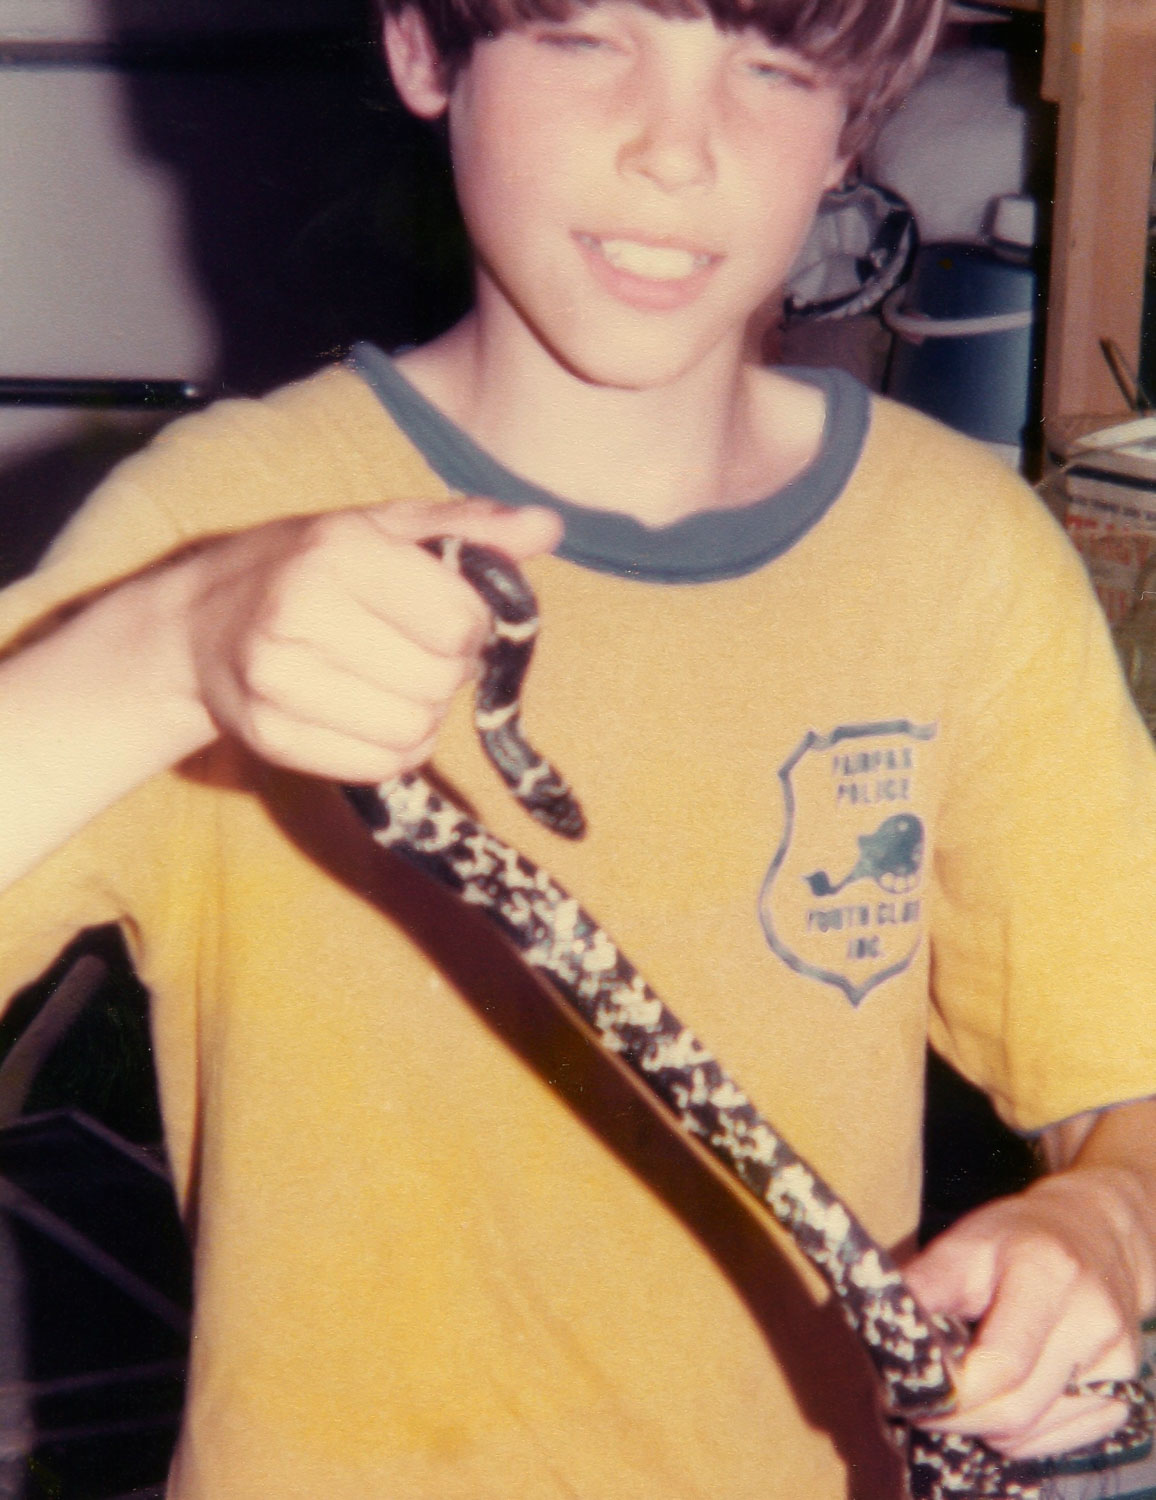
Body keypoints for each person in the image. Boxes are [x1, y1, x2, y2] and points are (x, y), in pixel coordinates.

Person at [0, 0, 1153, 1493]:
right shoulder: (220, 529)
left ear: (851, 123)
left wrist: (1109, 1223)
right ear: (426, 50)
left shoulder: (956, 555)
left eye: (773, 64)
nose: (678, 149)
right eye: (584, 39)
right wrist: (155, 652)